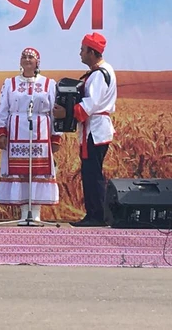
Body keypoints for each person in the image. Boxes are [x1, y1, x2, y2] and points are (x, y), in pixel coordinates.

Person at [53, 32, 117, 227]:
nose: (80, 53)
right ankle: (94, 214)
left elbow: (89, 105)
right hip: (95, 130)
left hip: (95, 131)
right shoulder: (103, 71)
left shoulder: (99, 75)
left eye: (82, 50)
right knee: (90, 173)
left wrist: (66, 112)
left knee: (93, 174)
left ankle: (96, 216)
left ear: (91, 52)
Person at [0, 47, 60, 223]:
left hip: (41, 130)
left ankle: (36, 212)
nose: (27, 59)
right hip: (16, 130)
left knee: (37, 171)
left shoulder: (49, 84)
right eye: (24, 56)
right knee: (20, 171)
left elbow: (55, 112)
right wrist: (1, 132)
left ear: (38, 61)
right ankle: (24, 211)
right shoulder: (10, 83)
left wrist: (56, 136)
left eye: (31, 57)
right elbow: (3, 109)